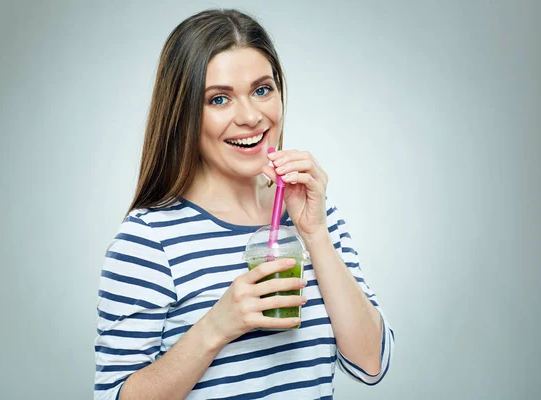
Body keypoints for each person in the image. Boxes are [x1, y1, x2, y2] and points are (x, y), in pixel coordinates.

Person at [94, 8, 394, 400]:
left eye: (262, 89)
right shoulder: (149, 240)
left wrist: (316, 235)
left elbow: (371, 363)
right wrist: (217, 326)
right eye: (219, 99)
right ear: (184, 115)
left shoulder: (313, 213)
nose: (251, 116)